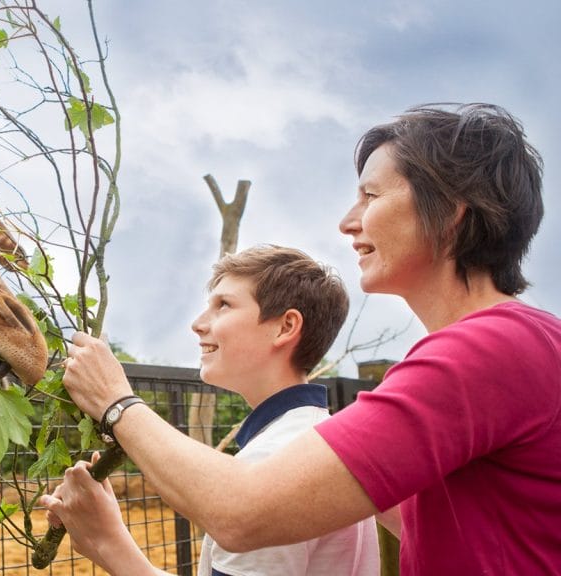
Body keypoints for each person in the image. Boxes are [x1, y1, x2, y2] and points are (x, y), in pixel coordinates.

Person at [43, 103, 560, 575]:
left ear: (449, 211)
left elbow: (244, 512)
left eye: (371, 196)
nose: (347, 222)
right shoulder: (520, 344)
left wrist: (117, 403)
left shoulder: (489, 349)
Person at [45, 245, 380, 575]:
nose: (197, 323)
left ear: (285, 326)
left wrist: (109, 544)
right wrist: (108, 538)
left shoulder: (278, 457)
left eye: (224, 305)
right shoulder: (313, 439)